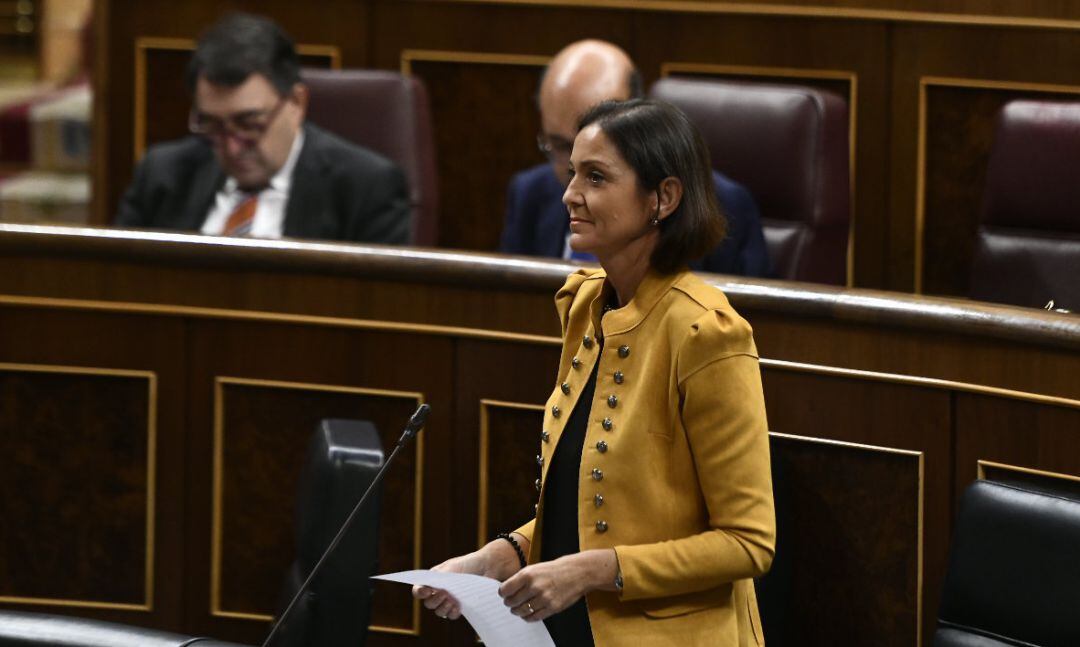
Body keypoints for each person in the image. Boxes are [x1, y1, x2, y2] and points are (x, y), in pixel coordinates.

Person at [415, 99, 775, 646]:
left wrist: (587, 571)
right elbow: (583, 512)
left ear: (664, 197)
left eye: (596, 177)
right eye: (571, 173)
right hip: (572, 628)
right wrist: (494, 559)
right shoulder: (587, 306)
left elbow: (747, 542)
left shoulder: (707, 332)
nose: (569, 195)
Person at [115, 13, 411, 244]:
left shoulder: (366, 189)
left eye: (250, 124)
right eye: (214, 125)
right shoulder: (162, 176)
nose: (232, 146)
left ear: (296, 103)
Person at [500, 39, 771, 277]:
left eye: (595, 172)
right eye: (560, 146)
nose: (571, 189)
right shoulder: (529, 194)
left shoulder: (724, 204)